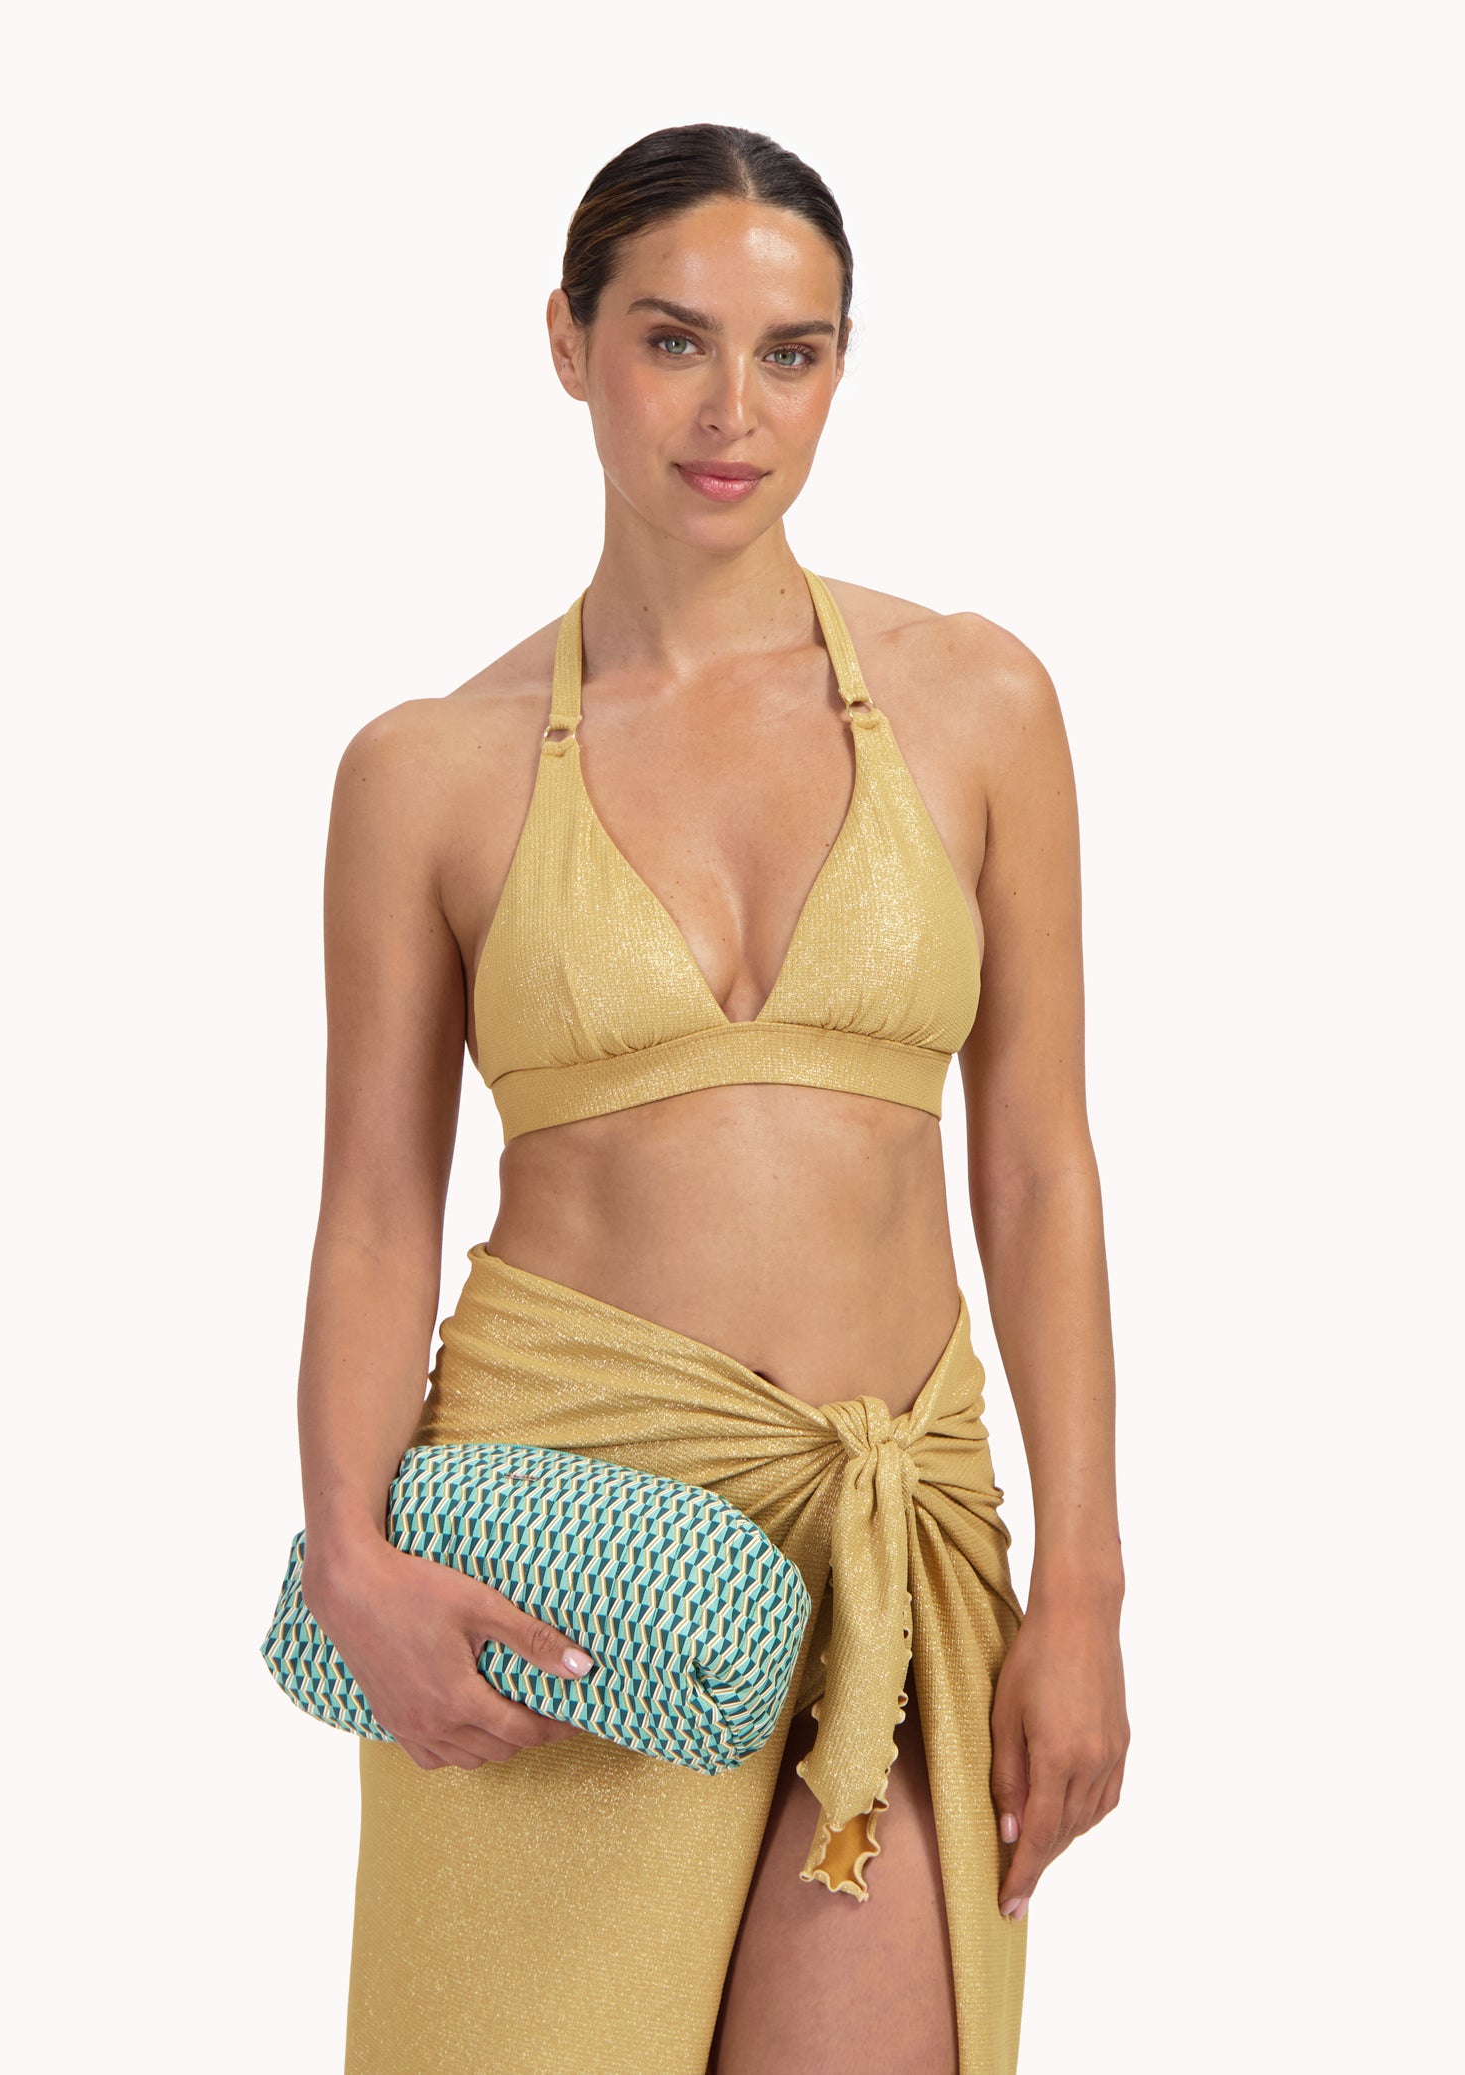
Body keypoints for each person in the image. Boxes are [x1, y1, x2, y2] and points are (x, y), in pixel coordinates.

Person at [295, 122, 1129, 2075]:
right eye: (674, 340)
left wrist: (1085, 1582)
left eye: (791, 352)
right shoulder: (428, 769)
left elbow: (1037, 1164)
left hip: (893, 1531)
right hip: (559, 1550)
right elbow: (374, 1207)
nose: (733, 408)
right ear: (569, 343)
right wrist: (352, 1558)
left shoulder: (980, 702)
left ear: (840, 367)